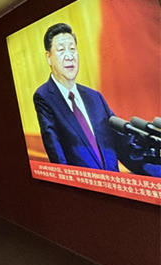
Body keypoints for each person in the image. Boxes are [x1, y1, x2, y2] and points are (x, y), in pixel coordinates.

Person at [33, 23, 159, 175]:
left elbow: (126, 149)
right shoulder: (44, 96)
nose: (69, 56)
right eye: (61, 50)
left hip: (114, 184)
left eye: (72, 49)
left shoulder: (94, 97)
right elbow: (56, 153)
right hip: (82, 186)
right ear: (49, 57)